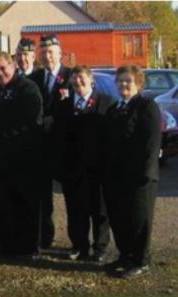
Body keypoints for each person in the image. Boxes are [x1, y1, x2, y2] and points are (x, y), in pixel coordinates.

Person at [0, 52, 44, 257]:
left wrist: (0, 138)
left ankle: (27, 248)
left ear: (13, 65)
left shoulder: (28, 89)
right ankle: (6, 244)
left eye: (2, 68)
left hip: (20, 159)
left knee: (22, 205)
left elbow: (31, 123)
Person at [103, 65, 161, 279]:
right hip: (117, 176)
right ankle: (125, 255)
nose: (123, 85)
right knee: (119, 217)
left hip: (140, 177)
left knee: (138, 219)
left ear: (138, 83)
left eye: (128, 81)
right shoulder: (115, 108)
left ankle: (140, 260)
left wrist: (146, 171)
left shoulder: (146, 106)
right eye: (120, 81)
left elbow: (152, 142)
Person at [51, 66, 112, 262]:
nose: (78, 82)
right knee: (76, 212)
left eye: (82, 78)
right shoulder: (64, 105)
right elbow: (57, 138)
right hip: (72, 171)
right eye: (74, 79)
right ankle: (79, 246)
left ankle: (100, 248)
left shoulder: (105, 103)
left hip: (98, 170)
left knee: (100, 212)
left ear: (91, 80)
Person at [29, 34, 71, 249]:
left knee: (74, 198)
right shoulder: (34, 78)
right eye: (43, 52)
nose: (47, 56)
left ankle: (80, 243)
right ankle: (45, 237)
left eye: (51, 52)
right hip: (41, 148)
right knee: (42, 197)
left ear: (60, 53)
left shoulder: (71, 76)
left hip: (66, 147)